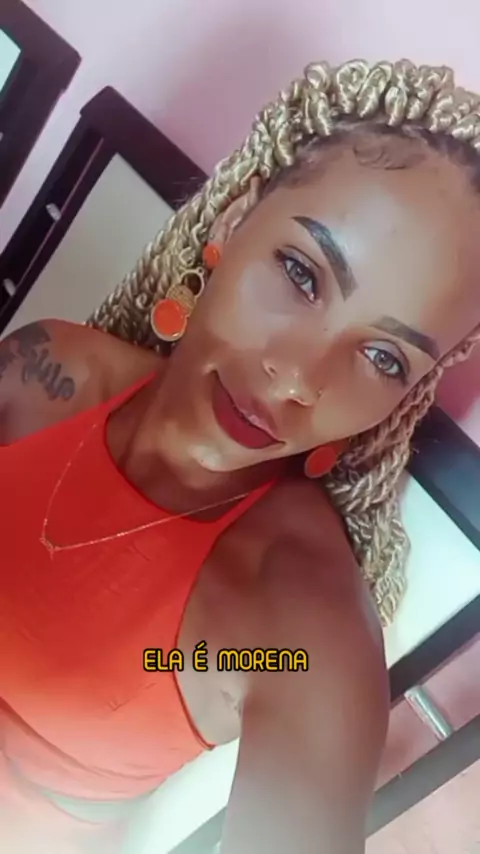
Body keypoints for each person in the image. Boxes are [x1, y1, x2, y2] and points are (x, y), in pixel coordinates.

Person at [1, 57, 480, 854]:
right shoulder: (46, 371)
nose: (297, 379)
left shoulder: (294, 626)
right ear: (231, 225)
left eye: (384, 359)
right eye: (301, 273)